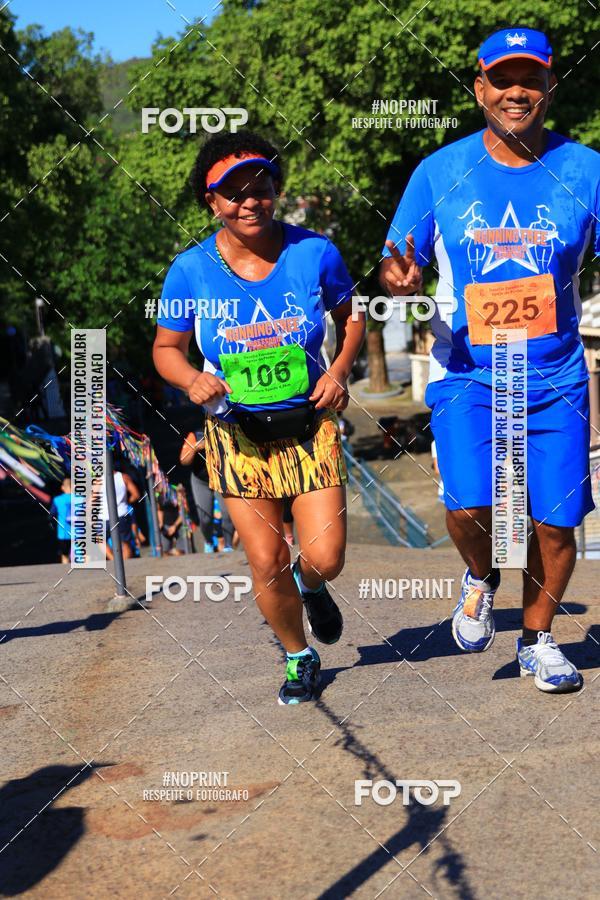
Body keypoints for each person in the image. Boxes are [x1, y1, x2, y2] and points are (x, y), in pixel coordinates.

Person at [380, 27, 600, 693]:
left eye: (531, 80)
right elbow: (397, 263)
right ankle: (480, 576)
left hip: (556, 376)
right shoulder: (438, 171)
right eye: (502, 80)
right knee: (470, 506)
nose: (516, 93)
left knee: (556, 524)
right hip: (469, 373)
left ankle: (538, 640)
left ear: (550, 88)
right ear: (479, 89)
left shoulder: (587, 170)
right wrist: (399, 281)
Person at [153, 129, 365, 704]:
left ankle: (310, 585)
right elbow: (166, 349)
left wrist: (338, 371)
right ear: (212, 202)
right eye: (234, 193)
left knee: (325, 555)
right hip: (234, 433)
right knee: (266, 558)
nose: (250, 202)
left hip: (309, 424)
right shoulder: (191, 269)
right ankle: (299, 656)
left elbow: (352, 317)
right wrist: (190, 378)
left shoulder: (314, 252)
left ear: (276, 190)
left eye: (261, 188)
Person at [179, 426, 235, 552]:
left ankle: (228, 545)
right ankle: (209, 542)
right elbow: (184, 460)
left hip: (221, 478)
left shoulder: (225, 430)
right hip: (201, 480)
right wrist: (196, 448)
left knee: (227, 513)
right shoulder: (196, 434)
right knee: (205, 517)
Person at [102, 462, 141, 561]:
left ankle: (114, 561)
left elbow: (91, 501)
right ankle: (125, 565)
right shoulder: (124, 477)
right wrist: (125, 502)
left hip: (104, 516)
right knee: (125, 542)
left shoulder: (98, 481)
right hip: (122, 513)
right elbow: (136, 495)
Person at [50, 477, 76, 563]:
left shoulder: (57, 500)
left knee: (65, 555)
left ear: (62, 487)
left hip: (63, 533)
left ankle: (66, 569)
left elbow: (52, 514)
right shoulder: (80, 498)